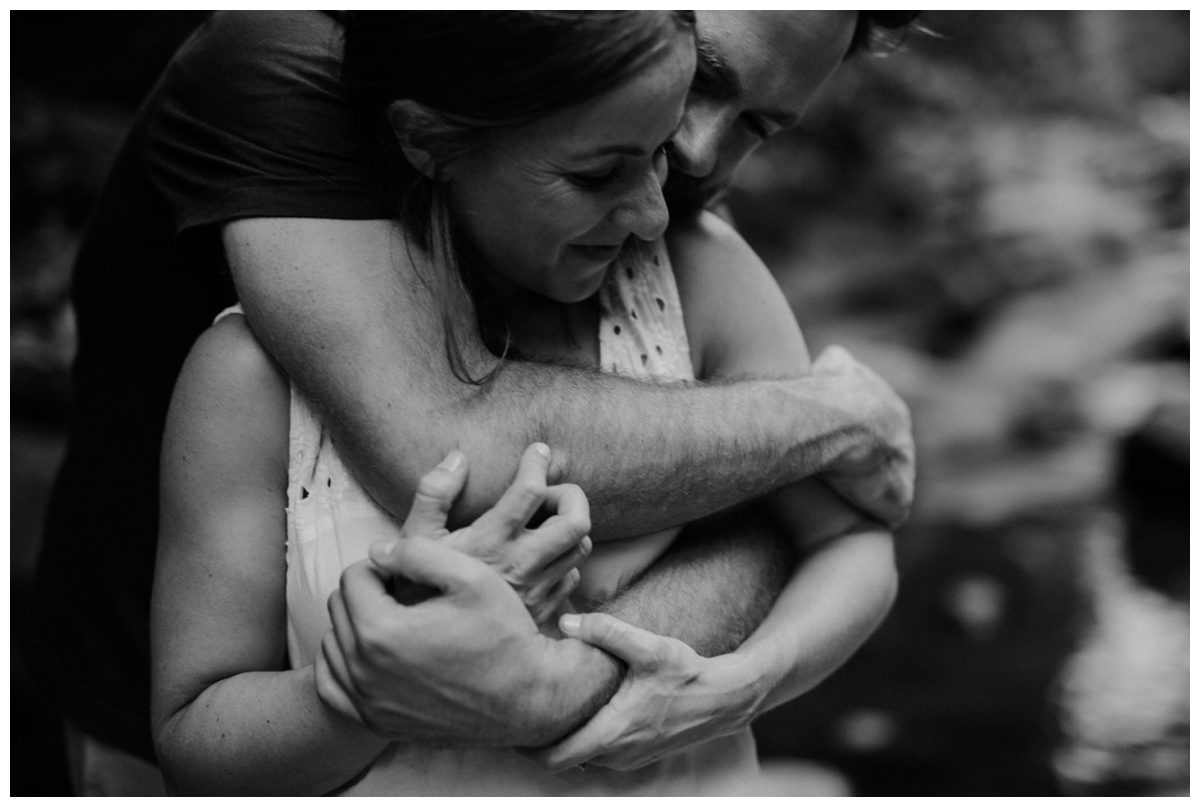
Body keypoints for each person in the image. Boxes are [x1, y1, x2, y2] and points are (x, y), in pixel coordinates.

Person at [27, 9, 915, 795]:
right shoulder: (283, 67)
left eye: (759, 123)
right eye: (708, 76)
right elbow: (449, 444)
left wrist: (740, 679)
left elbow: (819, 524)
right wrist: (839, 415)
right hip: (141, 687)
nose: (693, 161)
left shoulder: (685, 255)